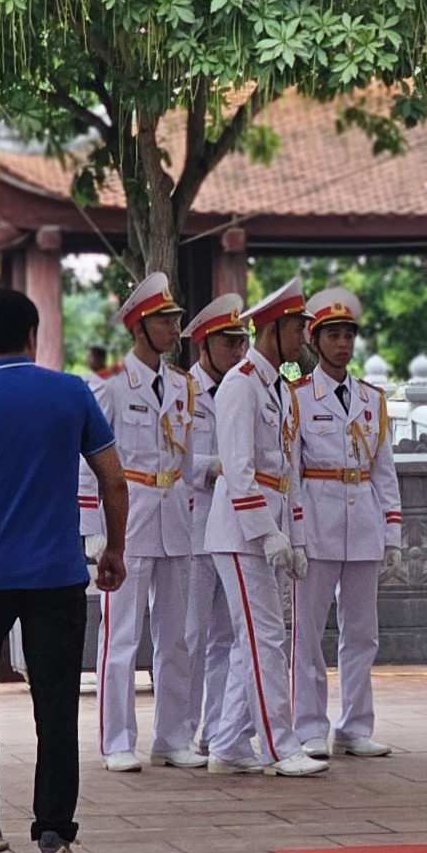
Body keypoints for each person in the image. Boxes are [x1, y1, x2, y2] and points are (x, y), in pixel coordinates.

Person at [0, 288, 129, 853]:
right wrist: (113, 548)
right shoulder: (71, 392)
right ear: (32, 335)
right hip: (58, 574)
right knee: (57, 699)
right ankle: (55, 836)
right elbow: (115, 481)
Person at [200, 277, 326, 778]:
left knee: (253, 639)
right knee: (265, 638)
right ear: (273, 328)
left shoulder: (276, 387)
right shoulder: (240, 383)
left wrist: (293, 535)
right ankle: (280, 744)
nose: (302, 336)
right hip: (239, 532)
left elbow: (288, 472)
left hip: (267, 527)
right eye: (297, 326)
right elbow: (237, 467)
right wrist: (264, 530)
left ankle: (230, 741)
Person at [79, 273, 204, 774]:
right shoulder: (109, 384)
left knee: (177, 637)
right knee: (121, 634)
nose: (175, 329)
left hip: (174, 516)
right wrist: (95, 529)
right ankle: (117, 740)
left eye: (175, 320)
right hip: (125, 519)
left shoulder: (183, 385)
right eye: (164, 321)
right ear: (139, 327)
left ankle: (172, 737)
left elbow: (190, 463)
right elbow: (87, 461)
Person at [292, 287, 403, 760]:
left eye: (348, 335)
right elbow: (290, 472)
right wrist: (293, 530)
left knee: (362, 633)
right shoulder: (297, 397)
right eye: (332, 335)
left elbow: (385, 471)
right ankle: (309, 726)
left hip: (362, 520)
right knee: (307, 632)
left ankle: (355, 726)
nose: (342, 344)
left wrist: (392, 533)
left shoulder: (371, 399)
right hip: (316, 518)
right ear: (314, 341)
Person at [181, 291, 249, 760]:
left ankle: (218, 728)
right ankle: (180, 731)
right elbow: (175, 458)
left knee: (226, 632)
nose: (237, 351)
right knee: (190, 634)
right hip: (191, 523)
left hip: (232, 524)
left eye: (241, 341)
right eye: (227, 343)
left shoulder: (242, 386)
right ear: (203, 345)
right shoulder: (184, 393)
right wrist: (218, 465)